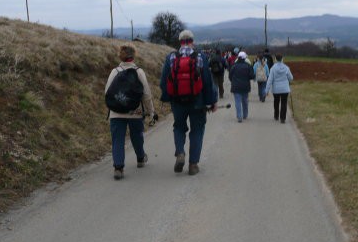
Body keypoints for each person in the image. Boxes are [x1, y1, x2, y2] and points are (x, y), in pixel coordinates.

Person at [160, 30, 217, 176]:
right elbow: (207, 81)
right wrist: (211, 102)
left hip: (178, 101)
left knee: (179, 127)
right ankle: (193, 165)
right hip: (197, 101)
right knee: (197, 130)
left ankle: (180, 153)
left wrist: (167, 98)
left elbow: (164, 81)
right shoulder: (200, 57)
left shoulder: (171, 57)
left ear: (180, 41)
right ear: (192, 41)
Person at [105, 44, 155, 180]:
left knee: (117, 140)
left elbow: (107, 92)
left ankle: (118, 168)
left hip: (116, 112)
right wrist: (151, 112)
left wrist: (112, 108)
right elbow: (146, 94)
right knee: (137, 136)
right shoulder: (139, 71)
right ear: (134, 56)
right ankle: (140, 158)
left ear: (121, 56)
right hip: (135, 111)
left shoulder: (114, 71)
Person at [264, 53, 293, 124]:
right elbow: (291, 78)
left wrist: (266, 90)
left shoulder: (273, 68)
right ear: (282, 59)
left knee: (276, 102)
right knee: (284, 103)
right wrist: (288, 80)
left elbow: (270, 80)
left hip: (276, 89)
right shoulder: (286, 68)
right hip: (285, 89)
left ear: (275, 59)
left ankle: (276, 115)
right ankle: (283, 118)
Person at [229, 51, 255, 123]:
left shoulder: (234, 66)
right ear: (244, 58)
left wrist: (234, 81)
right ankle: (245, 114)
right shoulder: (248, 66)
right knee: (245, 101)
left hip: (236, 86)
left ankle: (239, 116)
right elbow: (252, 76)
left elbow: (230, 76)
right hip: (245, 86)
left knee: (237, 102)